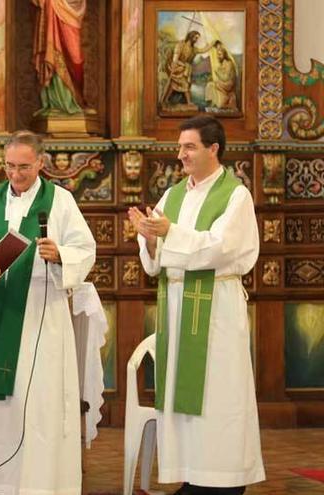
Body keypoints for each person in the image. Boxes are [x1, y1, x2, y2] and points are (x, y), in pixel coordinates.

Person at [128, 114, 264, 494]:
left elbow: (222, 247)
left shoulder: (235, 194)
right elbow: (155, 260)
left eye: (189, 147)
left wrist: (169, 232)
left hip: (216, 307)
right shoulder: (172, 195)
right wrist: (150, 239)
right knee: (183, 400)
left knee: (218, 397)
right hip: (177, 305)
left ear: (213, 149)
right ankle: (191, 474)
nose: (181, 154)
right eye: (180, 146)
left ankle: (223, 480)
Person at [0, 130, 96, 494]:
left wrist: (60, 255)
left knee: (40, 409)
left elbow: (85, 249)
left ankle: (41, 486)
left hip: (41, 316)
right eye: (9, 166)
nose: (15, 175)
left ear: (39, 163)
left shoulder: (61, 201)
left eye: (23, 167)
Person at [33, 0, 87, 114]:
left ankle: (76, 100)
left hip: (72, 10)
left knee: (75, 57)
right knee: (52, 54)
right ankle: (55, 102)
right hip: (51, 7)